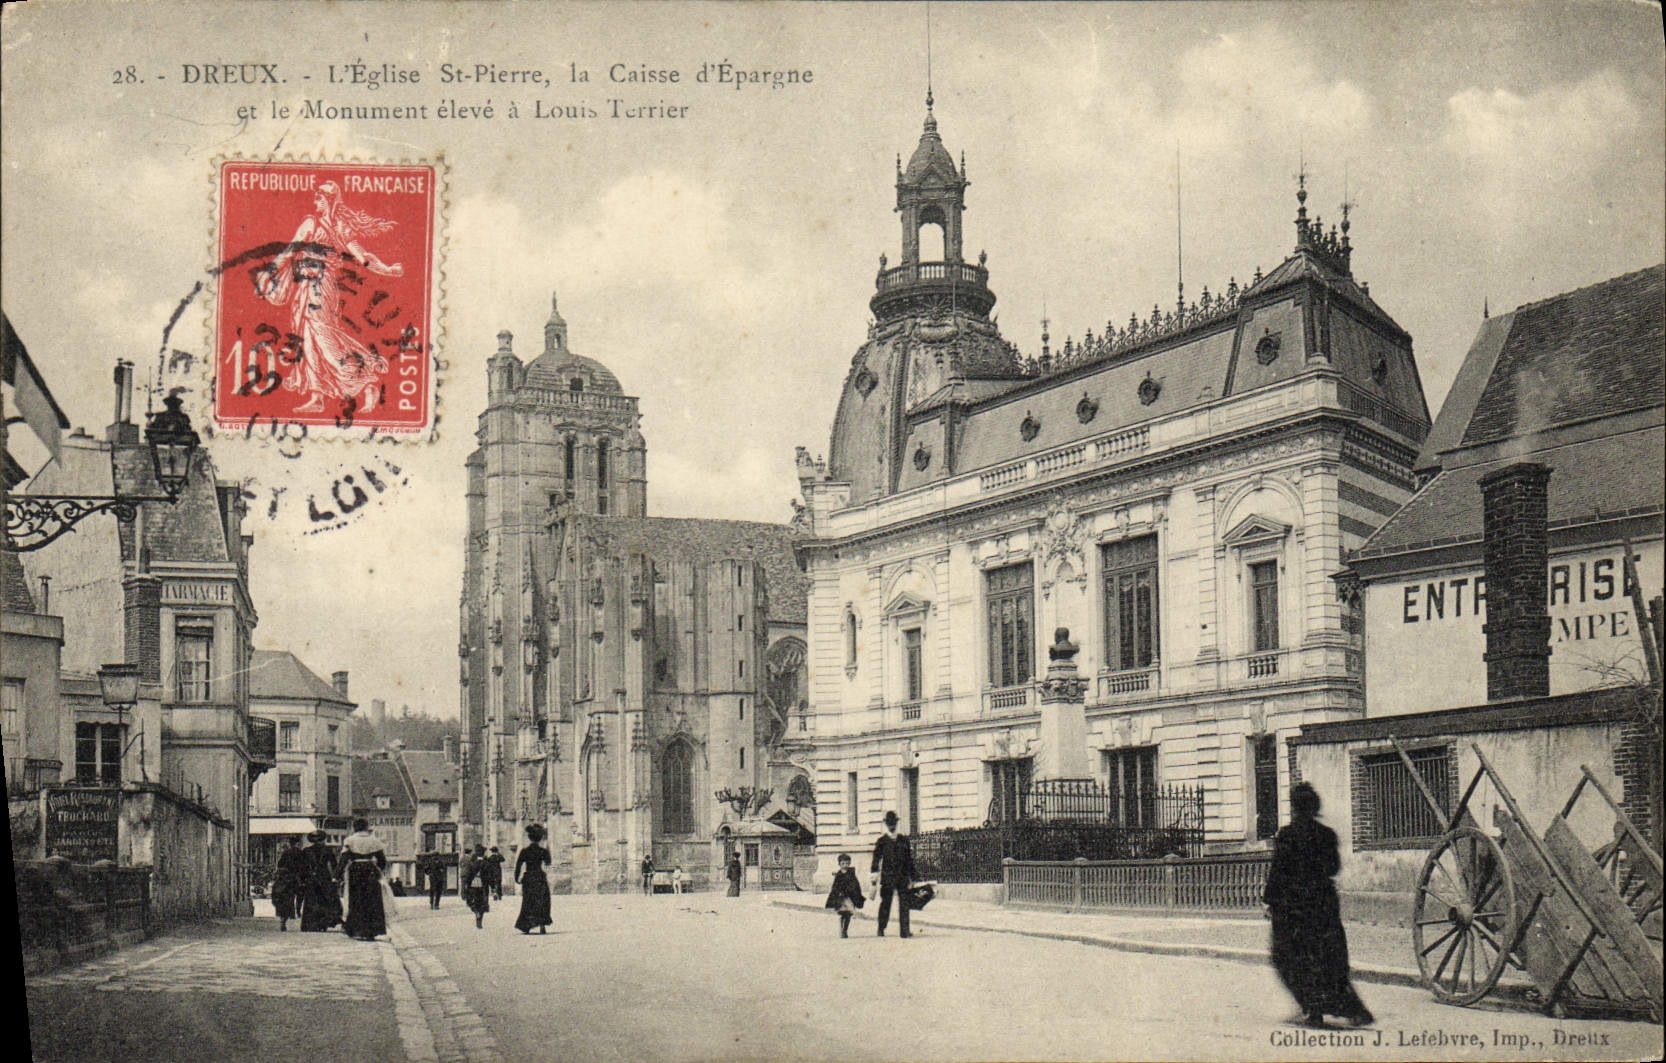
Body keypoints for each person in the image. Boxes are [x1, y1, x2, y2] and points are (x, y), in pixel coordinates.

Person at [255, 181, 404, 414]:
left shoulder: (339, 227)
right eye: (315, 197)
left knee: (324, 337)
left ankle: (366, 380)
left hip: (322, 287)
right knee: (307, 338)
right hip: (304, 287)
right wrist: (269, 272)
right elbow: (289, 252)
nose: (315, 202)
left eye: (319, 198)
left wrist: (387, 269)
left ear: (329, 201)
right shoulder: (310, 223)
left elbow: (363, 256)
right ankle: (317, 396)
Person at [1262, 782, 1374, 1029]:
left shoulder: (1287, 835)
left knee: (1291, 956)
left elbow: (1278, 871)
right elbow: (1333, 868)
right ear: (1315, 806)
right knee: (1328, 958)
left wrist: (1269, 901)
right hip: (1322, 903)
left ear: (1294, 806)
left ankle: (1312, 1010)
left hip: (1294, 905)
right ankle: (1352, 1008)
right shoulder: (1327, 834)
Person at [338, 818, 392, 941]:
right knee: (371, 901)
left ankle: (357, 930)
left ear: (354, 828)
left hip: (355, 871)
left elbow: (343, 859)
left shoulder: (349, 841)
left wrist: (337, 875)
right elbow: (382, 860)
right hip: (370, 871)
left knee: (356, 900)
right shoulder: (374, 840)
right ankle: (371, 930)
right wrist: (378, 871)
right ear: (366, 827)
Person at [871, 810, 915, 938]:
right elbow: (876, 859)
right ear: (886, 824)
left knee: (904, 904)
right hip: (888, 877)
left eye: (893, 823)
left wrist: (913, 877)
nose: (892, 826)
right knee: (886, 903)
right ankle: (881, 927)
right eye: (889, 823)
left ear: (896, 824)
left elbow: (909, 860)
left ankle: (904, 931)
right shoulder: (882, 841)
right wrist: (874, 874)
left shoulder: (904, 840)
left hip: (902, 876)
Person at [298, 829, 341, 932]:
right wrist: (335, 878)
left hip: (311, 877)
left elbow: (302, 867)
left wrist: (302, 879)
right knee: (324, 899)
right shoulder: (327, 850)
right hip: (324, 876)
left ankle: (311, 924)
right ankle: (323, 923)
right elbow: (334, 864)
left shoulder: (306, 851)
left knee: (312, 900)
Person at [514, 824, 553, 935]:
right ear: (539, 839)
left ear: (530, 838)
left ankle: (527, 925)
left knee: (528, 901)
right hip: (539, 877)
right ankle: (542, 924)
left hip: (529, 878)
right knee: (542, 901)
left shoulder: (524, 851)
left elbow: (518, 865)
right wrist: (547, 849)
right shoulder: (542, 851)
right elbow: (548, 862)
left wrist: (517, 878)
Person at [271, 835, 309, 932]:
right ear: (298, 843)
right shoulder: (301, 853)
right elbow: (305, 866)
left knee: (287, 900)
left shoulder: (286, 853)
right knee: (300, 895)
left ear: (290, 843)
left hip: (287, 879)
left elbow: (280, 865)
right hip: (299, 879)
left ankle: (284, 920)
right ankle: (298, 910)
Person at [824, 853, 866, 939]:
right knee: (842, 914)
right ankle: (841, 929)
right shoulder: (838, 875)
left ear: (849, 863)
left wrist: (855, 893)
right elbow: (835, 886)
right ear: (839, 864)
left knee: (848, 914)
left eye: (847, 863)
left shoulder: (851, 874)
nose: (845, 865)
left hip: (850, 897)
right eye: (843, 863)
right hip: (841, 898)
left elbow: (855, 885)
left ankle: (845, 930)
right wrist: (836, 893)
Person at [460, 844, 491, 929]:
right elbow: (490, 875)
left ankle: (476, 911)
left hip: (473, 884)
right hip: (483, 885)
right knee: (482, 903)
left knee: (472, 901)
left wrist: (466, 884)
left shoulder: (472, 861)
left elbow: (468, 873)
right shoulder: (486, 862)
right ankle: (480, 919)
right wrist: (493, 887)